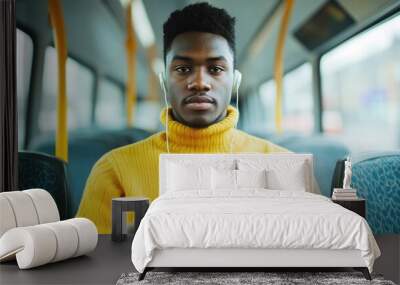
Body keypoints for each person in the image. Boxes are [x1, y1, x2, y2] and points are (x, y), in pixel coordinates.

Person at [77, 2, 318, 234]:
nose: (200, 83)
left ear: (235, 80)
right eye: (183, 69)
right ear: (164, 81)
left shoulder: (286, 164)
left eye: (215, 69)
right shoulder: (115, 170)